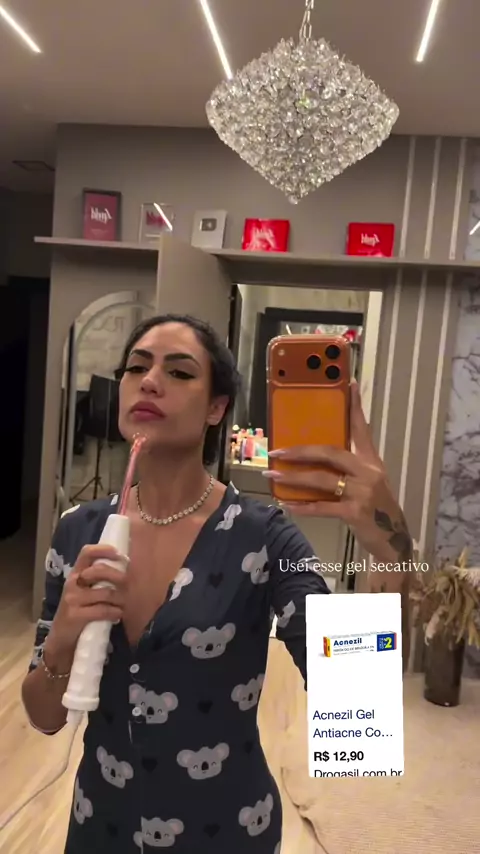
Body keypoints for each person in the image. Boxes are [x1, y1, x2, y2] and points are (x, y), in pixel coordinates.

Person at [22, 314, 412, 853]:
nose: (149, 381)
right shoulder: (77, 532)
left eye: (179, 372)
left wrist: (391, 549)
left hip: (229, 833)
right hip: (99, 830)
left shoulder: (264, 537)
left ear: (216, 407)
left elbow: (358, 716)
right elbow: (44, 717)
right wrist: (62, 637)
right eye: (136, 367)